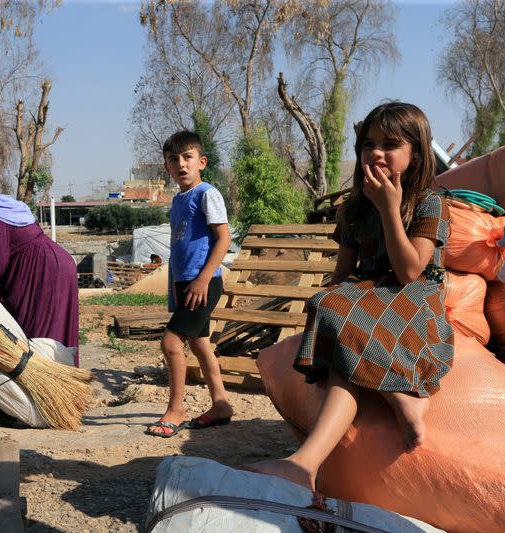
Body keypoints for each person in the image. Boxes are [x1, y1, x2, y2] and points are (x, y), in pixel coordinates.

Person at [243, 102, 454, 488]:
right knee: (328, 304)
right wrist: (327, 308)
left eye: (390, 144)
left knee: (347, 318)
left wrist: (390, 209)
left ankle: (310, 459)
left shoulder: (428, 203)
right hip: (369, 294)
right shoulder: (353, 209)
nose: (376, 152)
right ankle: (393, 401)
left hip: (414, 297)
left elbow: (409, 271)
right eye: (368, 143)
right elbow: (342, 274)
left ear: (417, 154)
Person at [145, 131, 233, 438]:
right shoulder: (178, 201)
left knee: (171, 343)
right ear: (167, 167)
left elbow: (224, 239)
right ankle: (221, 404)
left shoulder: (206, 193)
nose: (181, 164)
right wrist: (176, 288)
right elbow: (179, 248)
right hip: (185, 283)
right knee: (199, 344)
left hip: (204, 282)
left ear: (202, 162)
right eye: (173, 159)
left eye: (187, 157)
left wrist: (203, 278)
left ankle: (176, 410)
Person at [0, 175, 81, 366]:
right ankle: (62, 377)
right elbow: (18, 233)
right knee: (56, 328)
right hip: (58, 265)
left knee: (41, 333)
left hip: (45, 273)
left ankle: (48, 382)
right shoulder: (7, 207)